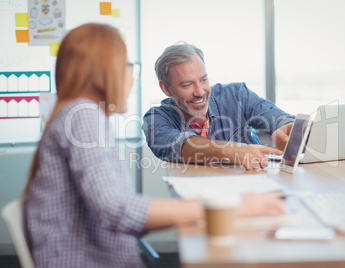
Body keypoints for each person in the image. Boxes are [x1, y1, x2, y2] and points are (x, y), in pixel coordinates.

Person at [23, 23, 284, 267]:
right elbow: (117, 210)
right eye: (126, 67)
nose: (130, 78)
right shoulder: (83, 117)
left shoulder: (77, 114)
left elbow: (115, 207)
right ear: (104, 72)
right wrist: (233, 206)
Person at [142, 42, 295, 170]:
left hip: (254, 193)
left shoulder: (236, 95)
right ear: (166, 88)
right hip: (197, 201)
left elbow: (276, 117)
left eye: (203, 80)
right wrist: (231, 150)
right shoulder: (156, 119)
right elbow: (180, 145)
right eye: (187, 85)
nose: (200, 92)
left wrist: (285, 127)